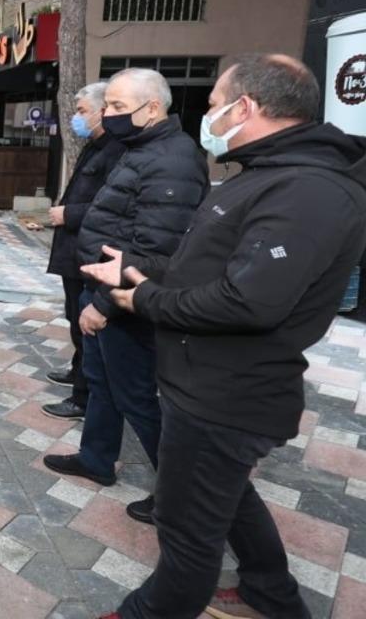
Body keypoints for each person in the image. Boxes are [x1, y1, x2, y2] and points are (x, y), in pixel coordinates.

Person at [84, 55, 366, 619]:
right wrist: (139, 271)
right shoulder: (267, 173)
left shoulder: (308, 189)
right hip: (208, 380)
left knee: (186, 533)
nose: (207, 116)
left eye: (213, 104)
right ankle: (270, 593)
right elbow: (208, 265)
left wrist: (144, 299)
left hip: (227, 393)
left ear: (245, 107)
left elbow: (248, 300)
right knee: (228, 497)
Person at [42, 68, 208, 526]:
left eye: (117, 106)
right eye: (108, 105)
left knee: (137, 397)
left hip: (126, 301)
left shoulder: (172, 161)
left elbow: (154, 252)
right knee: (102, 382)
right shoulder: (140, 148)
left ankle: (180, 496)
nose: (108, 114)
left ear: (151, 108)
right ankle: (96, 458)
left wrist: (103, 304)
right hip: (102, 286)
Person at [43, 81, 126, 421]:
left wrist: (70, 214)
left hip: (91, 253)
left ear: (102, 111)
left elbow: (114, 207)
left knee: (86, 323)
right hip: (73, 250)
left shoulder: (117, 151)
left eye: (81, 111)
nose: (76, 118)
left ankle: (83, 397)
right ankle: (78, 373)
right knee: (74, 317)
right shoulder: (94, 145)